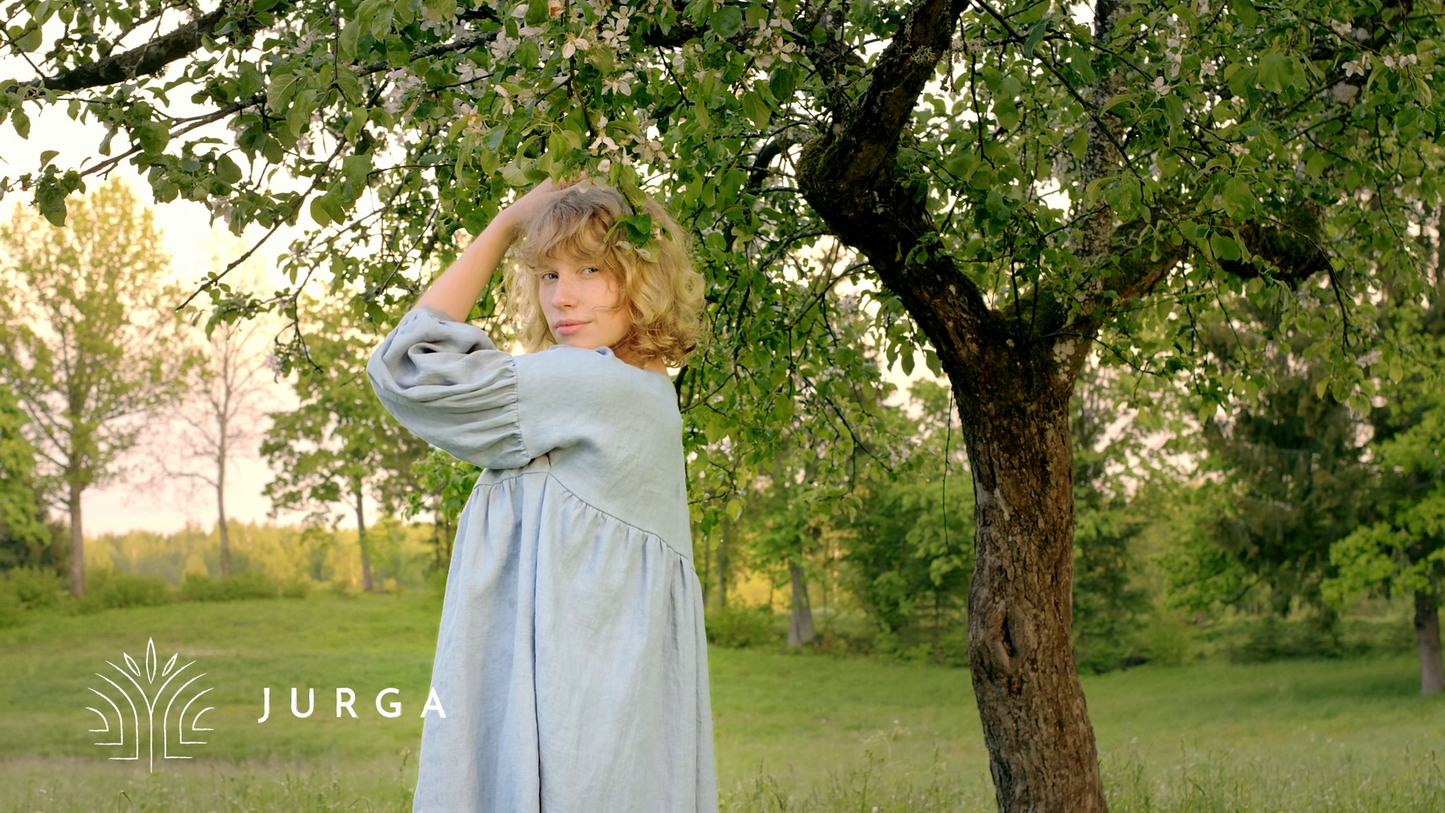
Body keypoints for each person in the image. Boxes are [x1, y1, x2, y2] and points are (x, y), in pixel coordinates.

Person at [366, 177, 718, 812]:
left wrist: (504, 225)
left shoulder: (593, 384)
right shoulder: (639, 389)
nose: (565, 296)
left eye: (590, 268)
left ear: (643, 278)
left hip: (570, 717)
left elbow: (405, 366)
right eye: (548, 274)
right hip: (589, 709)